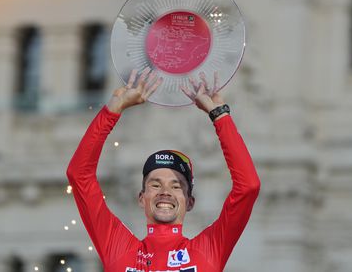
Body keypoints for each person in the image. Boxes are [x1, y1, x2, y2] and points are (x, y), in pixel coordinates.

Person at [66, 68, 261, 272]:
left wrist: (220, 116)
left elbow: (248, 187)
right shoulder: (119, 248)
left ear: (190, 201)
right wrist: (112, 110)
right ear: (142, 198)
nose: (165, 192)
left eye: (176, 186)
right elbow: (79, 175)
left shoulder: (209, 249)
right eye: (155, 184)